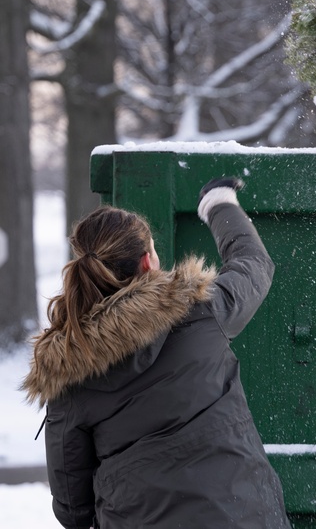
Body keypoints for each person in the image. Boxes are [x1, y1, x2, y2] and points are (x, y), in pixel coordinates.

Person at [22, 177, 291, 529]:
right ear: (147, 262)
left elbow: (72, 509)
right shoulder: (202, 314)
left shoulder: (67, 374)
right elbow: (253, 263)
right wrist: (217, 202)